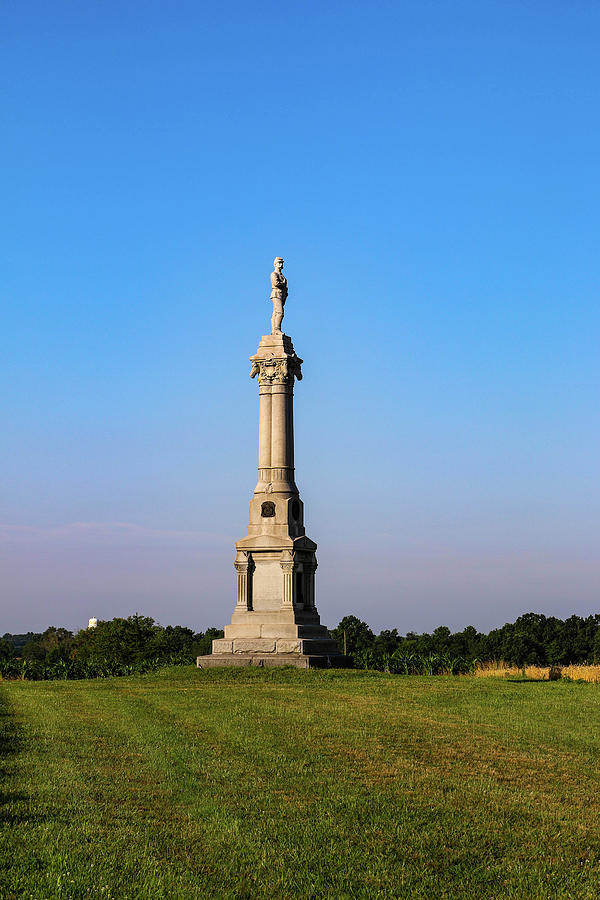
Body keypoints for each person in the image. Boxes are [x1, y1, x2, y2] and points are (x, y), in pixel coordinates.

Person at [270, 257, 288, 333]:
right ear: (275, 264)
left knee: (276, 312)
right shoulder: (273, 274)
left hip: (282, 295)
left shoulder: (282, 275)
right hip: (276, 294)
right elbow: (276, 283)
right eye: (279, 263)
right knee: (279, 312)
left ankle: (275, 330)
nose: (281, 265)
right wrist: (283, 283)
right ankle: (276, 329)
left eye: (282, 263)